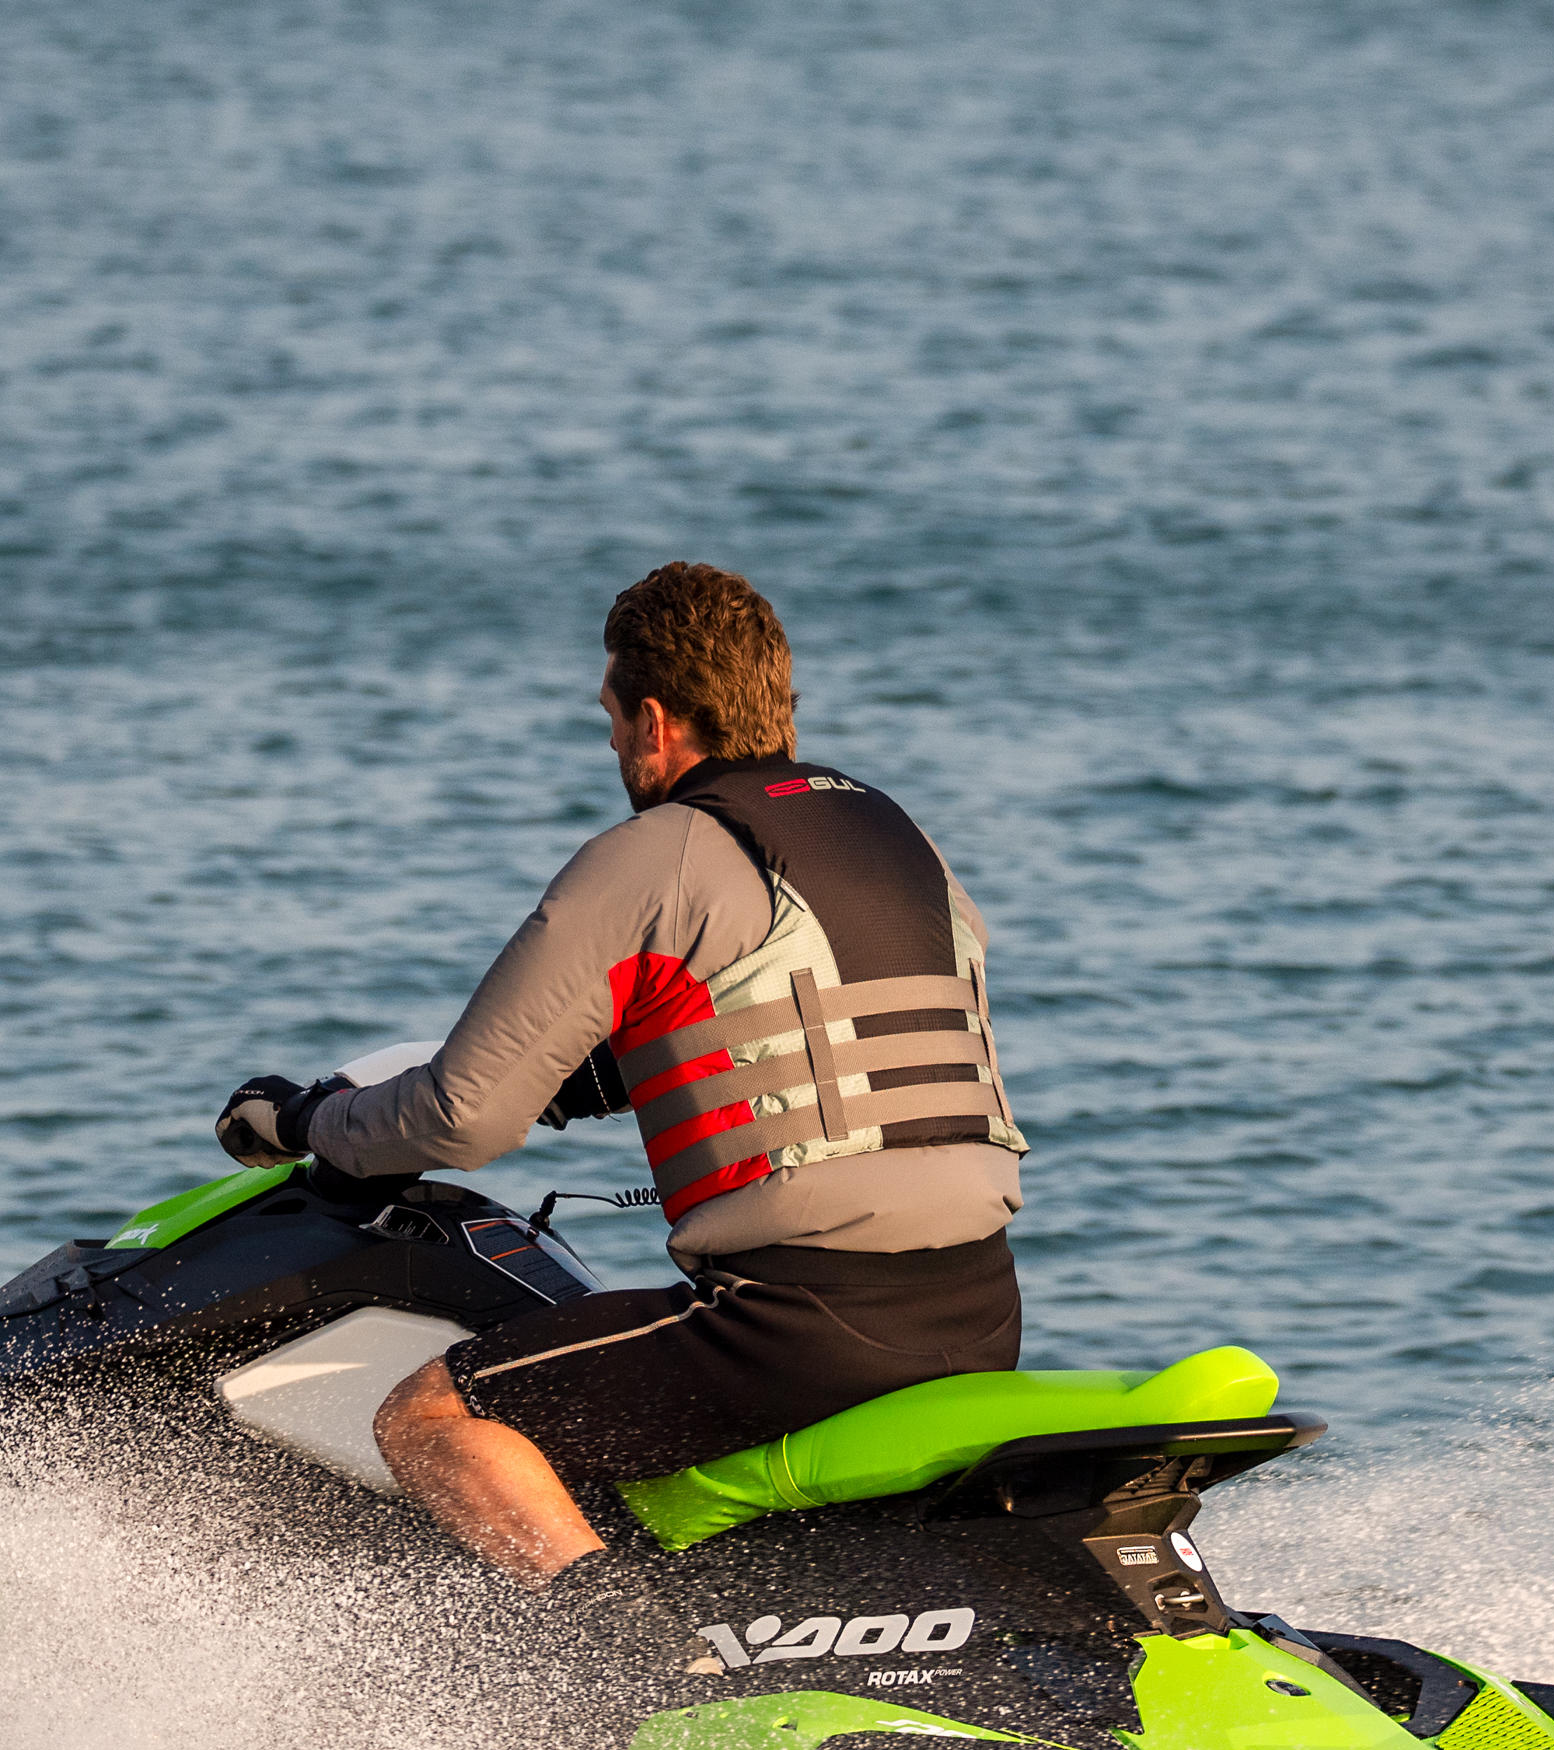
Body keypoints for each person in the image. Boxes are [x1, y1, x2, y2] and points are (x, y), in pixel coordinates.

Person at [212, 563, 1026, 1604]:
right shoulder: (886, 830)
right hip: (978, 1304)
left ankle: (618, 1666)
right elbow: (805, 1046)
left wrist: (306, 1120)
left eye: (607, 719)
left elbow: (459, 1116)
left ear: (652, 719)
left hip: (794, 1327)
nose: (608, 747)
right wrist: (586, 1083)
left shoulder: (658, 855)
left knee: (432, 1418)